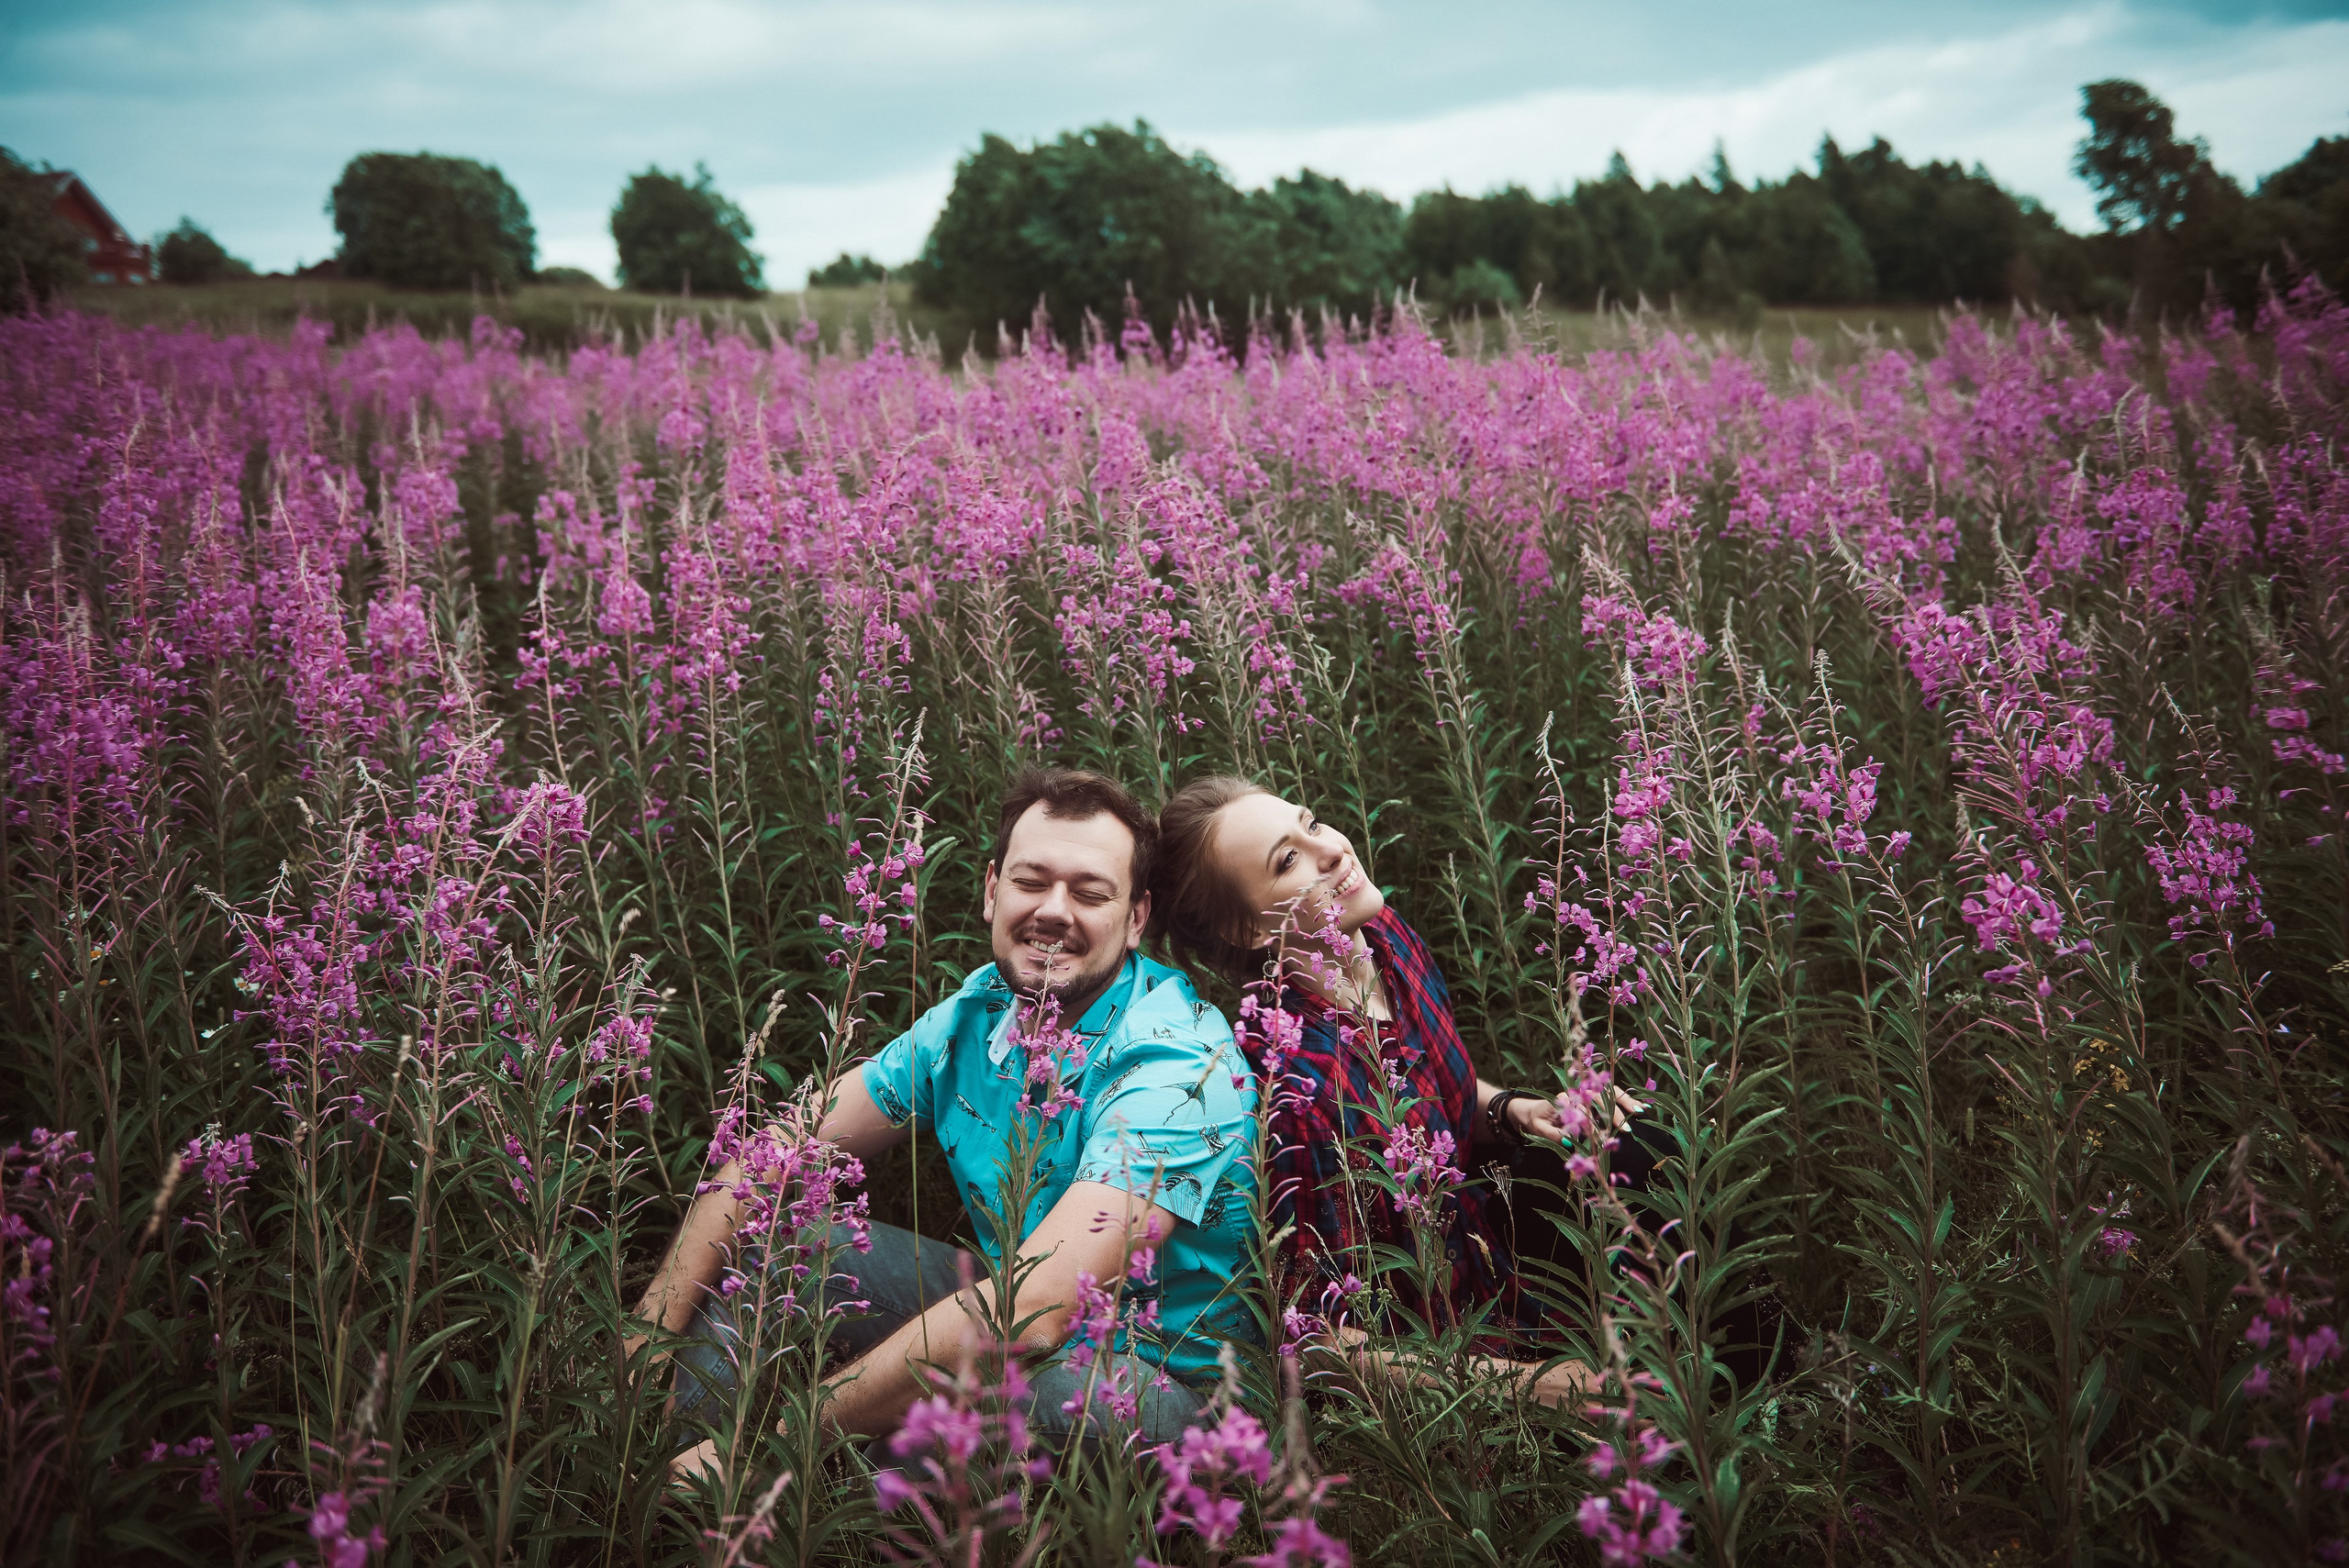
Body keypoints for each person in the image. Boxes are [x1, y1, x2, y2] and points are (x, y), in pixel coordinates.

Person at [638, 767, 1257, 1477]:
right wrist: (646, 1341)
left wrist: (784, 1433)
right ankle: (659, 1469)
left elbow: (1043, 1306)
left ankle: (785, 1500)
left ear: (1137, 916)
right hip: (1019, 1317)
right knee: (798, 1242)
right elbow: (782, 1149)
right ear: (992, 888)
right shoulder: (978, 1012)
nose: (1054, 911)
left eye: (1090, 892)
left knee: (1030, 1399)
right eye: (1032, 881)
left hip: (1178, 1382)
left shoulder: (1176, 1064)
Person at [1152, 775, 1628, 1407]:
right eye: (1287, 860)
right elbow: (1310, 1337)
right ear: (1250, 933)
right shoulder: (1292, 1086)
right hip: (1436, 1378)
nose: (1332, 851)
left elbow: (1433, 1087)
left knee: (1636, 1146)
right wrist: (1523, 1390)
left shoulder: (1382, 937)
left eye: (1312, 823)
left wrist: (1513, 1109)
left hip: (1491, 1265)